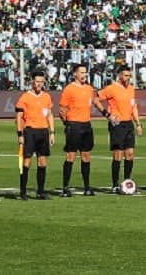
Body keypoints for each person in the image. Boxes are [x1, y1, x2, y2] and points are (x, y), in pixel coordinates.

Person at [96, 65, 143, 194]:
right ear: (120, 75)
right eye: (126, 75)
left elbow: (134, 107)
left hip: (128, 124)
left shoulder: (131, 89)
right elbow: (96, 99)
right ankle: (115, 184)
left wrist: (138, 124)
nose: (128, 78)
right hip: (117, 124)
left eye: (129, 76)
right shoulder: (111, 88)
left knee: (130, 154)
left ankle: (127, 182)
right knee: (118, 155)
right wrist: (107, 114)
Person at [58, 62, 97, 197]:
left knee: (86, 156)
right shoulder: (69, 89)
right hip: (74, 125)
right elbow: (62, 109)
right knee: (71, 156)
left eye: (85, 72)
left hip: (86, 125)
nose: (84, 74)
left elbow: (94, 102)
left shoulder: (89, 89)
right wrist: (67, 124)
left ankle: (87, 187)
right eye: (81, 72)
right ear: (75, 74)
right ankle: (65, 187)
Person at [16, 71, 55, 200]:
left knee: (42, 162)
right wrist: (20, 134)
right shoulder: (25, 97)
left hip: (43, 131)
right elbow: (19, 116)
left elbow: (49, 115)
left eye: (41, 82)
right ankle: (23, 192)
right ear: (32, 82)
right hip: (30, 131)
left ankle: (41, 191)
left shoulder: (47, 97)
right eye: (37, 81)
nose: (39, 84)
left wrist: (52, 132)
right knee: (27, 161)